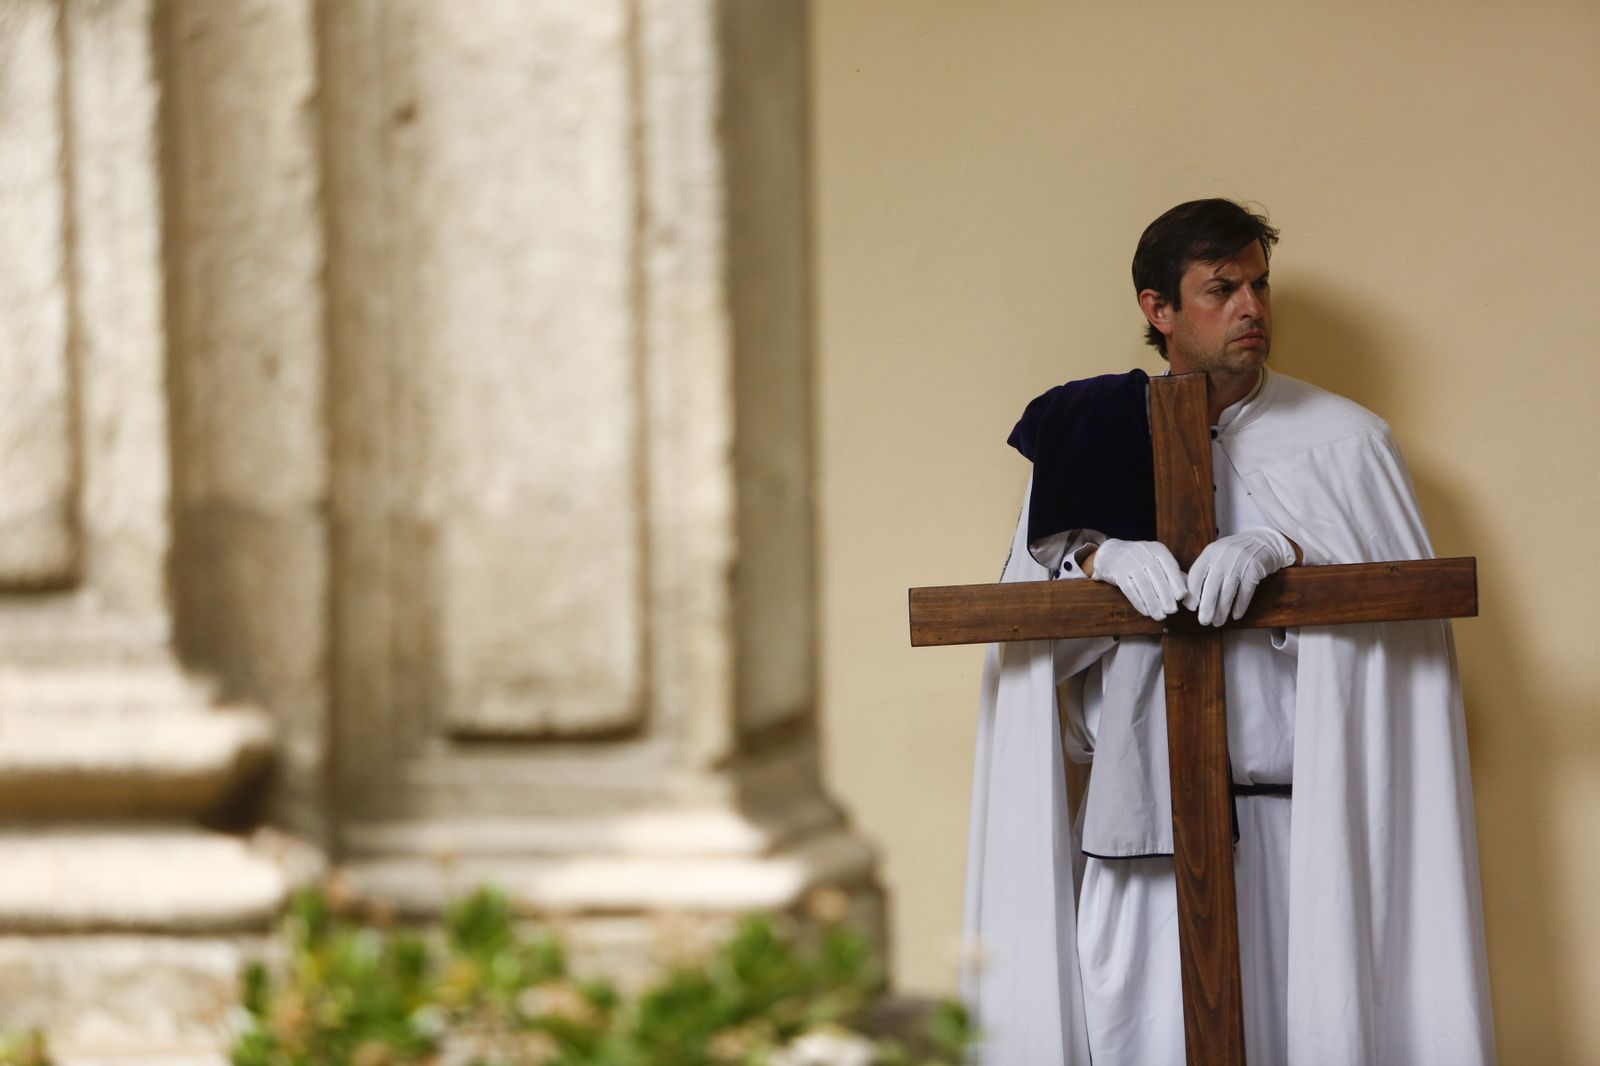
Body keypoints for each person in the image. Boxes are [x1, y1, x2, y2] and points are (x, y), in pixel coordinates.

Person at [960, 199, 1494, 1065]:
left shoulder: (1345, 445)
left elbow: (1405, 660)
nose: (1252, 308)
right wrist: (1097, 561)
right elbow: (1025, 649)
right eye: (1221, 289)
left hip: (1305, 835)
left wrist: (1287, 549)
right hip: (1139, 837)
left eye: (1260, 285)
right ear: (1158, 309)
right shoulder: (1091, 442)